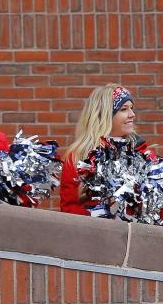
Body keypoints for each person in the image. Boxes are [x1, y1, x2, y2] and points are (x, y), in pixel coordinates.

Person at [59, 84, 145, 216]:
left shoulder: (142, 153)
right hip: (95, 234)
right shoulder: (78, 156)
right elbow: (69, 209)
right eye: (124, 109)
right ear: (104, 115)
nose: (132, 115)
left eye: (131, 109)